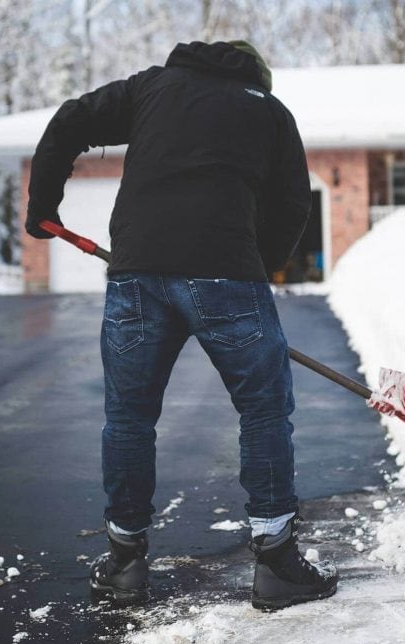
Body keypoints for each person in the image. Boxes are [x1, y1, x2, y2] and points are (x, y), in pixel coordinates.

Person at [26, 40, 338, 610]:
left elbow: (71, 118)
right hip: (227, 274)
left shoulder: (151, 88)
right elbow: (294, 203)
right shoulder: (268, 111)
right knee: (264, 410)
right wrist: (251, 266)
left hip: (137, 273)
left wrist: (42, 203)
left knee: (129, 417)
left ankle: (124, 562)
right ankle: (276, 565)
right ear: (258, 77)